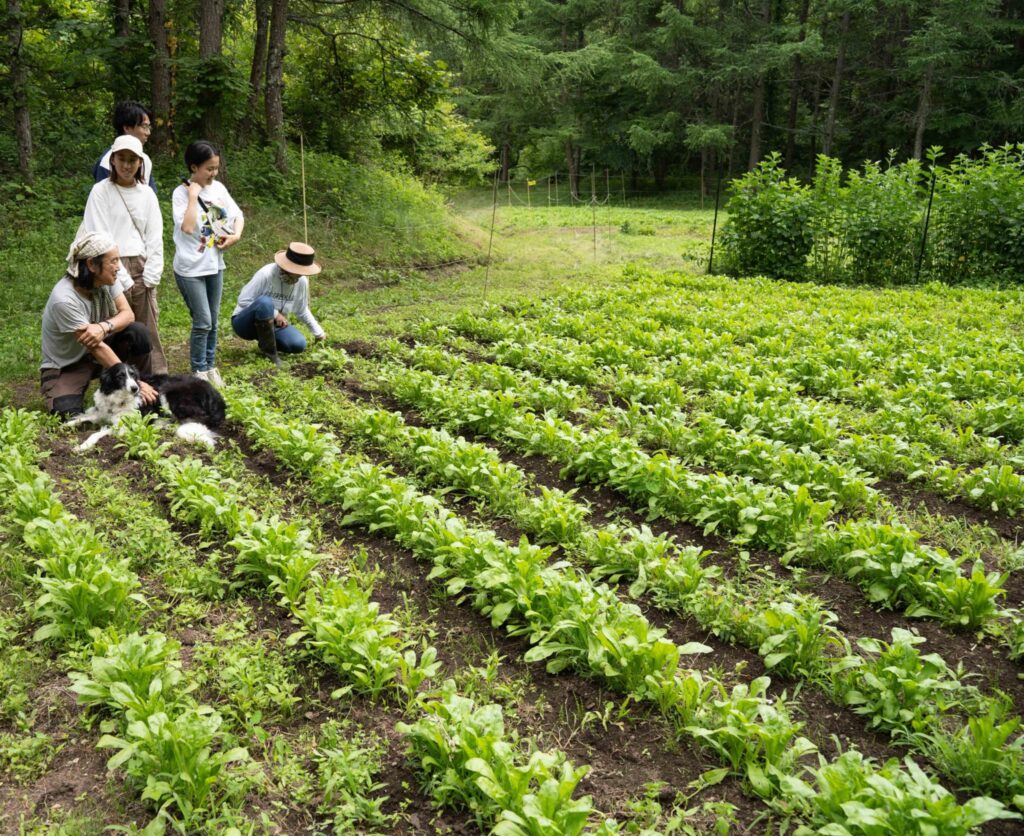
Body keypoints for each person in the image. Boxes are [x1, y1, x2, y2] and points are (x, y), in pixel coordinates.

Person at [41, 231, 158, 417]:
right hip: (69, 364)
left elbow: (128, 314)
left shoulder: (107, 279)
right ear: (92, 264)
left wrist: (103, 327)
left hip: (98, 350)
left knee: (137, 332)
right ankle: (131, 385)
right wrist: (101, 331)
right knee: (67, 414)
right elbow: (96, 346)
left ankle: (142, 388)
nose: (118, 267)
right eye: (113, 261)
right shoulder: (64, 299)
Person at [82, 134, 166, 375]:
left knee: (148, 328)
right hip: (109, 266)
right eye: (122, 159)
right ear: (113, 160)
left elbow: (154, 234)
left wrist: (152, 271)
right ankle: (118, 378)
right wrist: (118, 275)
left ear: (140, 162)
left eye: (132, 160)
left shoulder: (147, 194)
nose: (127, 165)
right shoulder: (100, 191)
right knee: (116, 325)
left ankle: (155, 379)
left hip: (142, 265)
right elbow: (98, 234)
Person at [172, 140, 244, 387]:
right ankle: (198, 372)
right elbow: (188, 226)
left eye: (216, 168)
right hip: (190, 268)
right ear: (194, 167)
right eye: (209, 169)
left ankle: (211, 366)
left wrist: (235, 236)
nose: (214, 174)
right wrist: (193, 195)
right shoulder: (180, 194)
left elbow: (237, 216)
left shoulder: (219, 189)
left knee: (213, 321)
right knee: (202, 321)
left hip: (215, 265)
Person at [231, 242, 327, 366]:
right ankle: (270, 353)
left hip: (273, 326)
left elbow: (302, 310)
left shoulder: (302, 282)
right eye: (297, 271)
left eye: (302, 272)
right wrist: (275, 313)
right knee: (265, 302)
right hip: (245, 324)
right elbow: (243, 300)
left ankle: (265, 343)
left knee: (298, 344)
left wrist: (319, 332)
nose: (299, 275)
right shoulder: (266, 274)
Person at [93, 100, 157, 193]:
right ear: (127, 128)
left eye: (149, 127)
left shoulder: (145, 160)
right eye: (144, 126)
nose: (148, 133)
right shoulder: (106, 162)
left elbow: (151, 197)